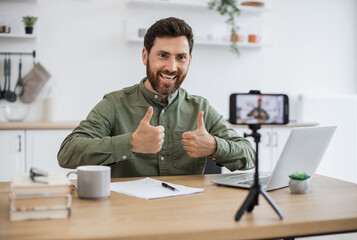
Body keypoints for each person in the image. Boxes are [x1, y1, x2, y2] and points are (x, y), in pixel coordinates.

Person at [58, 17, 255, 177]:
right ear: (145, 56)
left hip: (186, 212)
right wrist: (131, 143)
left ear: (189, 60)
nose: (171, 67)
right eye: (163, 55)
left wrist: (214, 146)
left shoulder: (201, 108)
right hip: (129, 214)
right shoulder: (114, 104)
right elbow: (67, 153)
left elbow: (249, 155)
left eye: (181, 57)